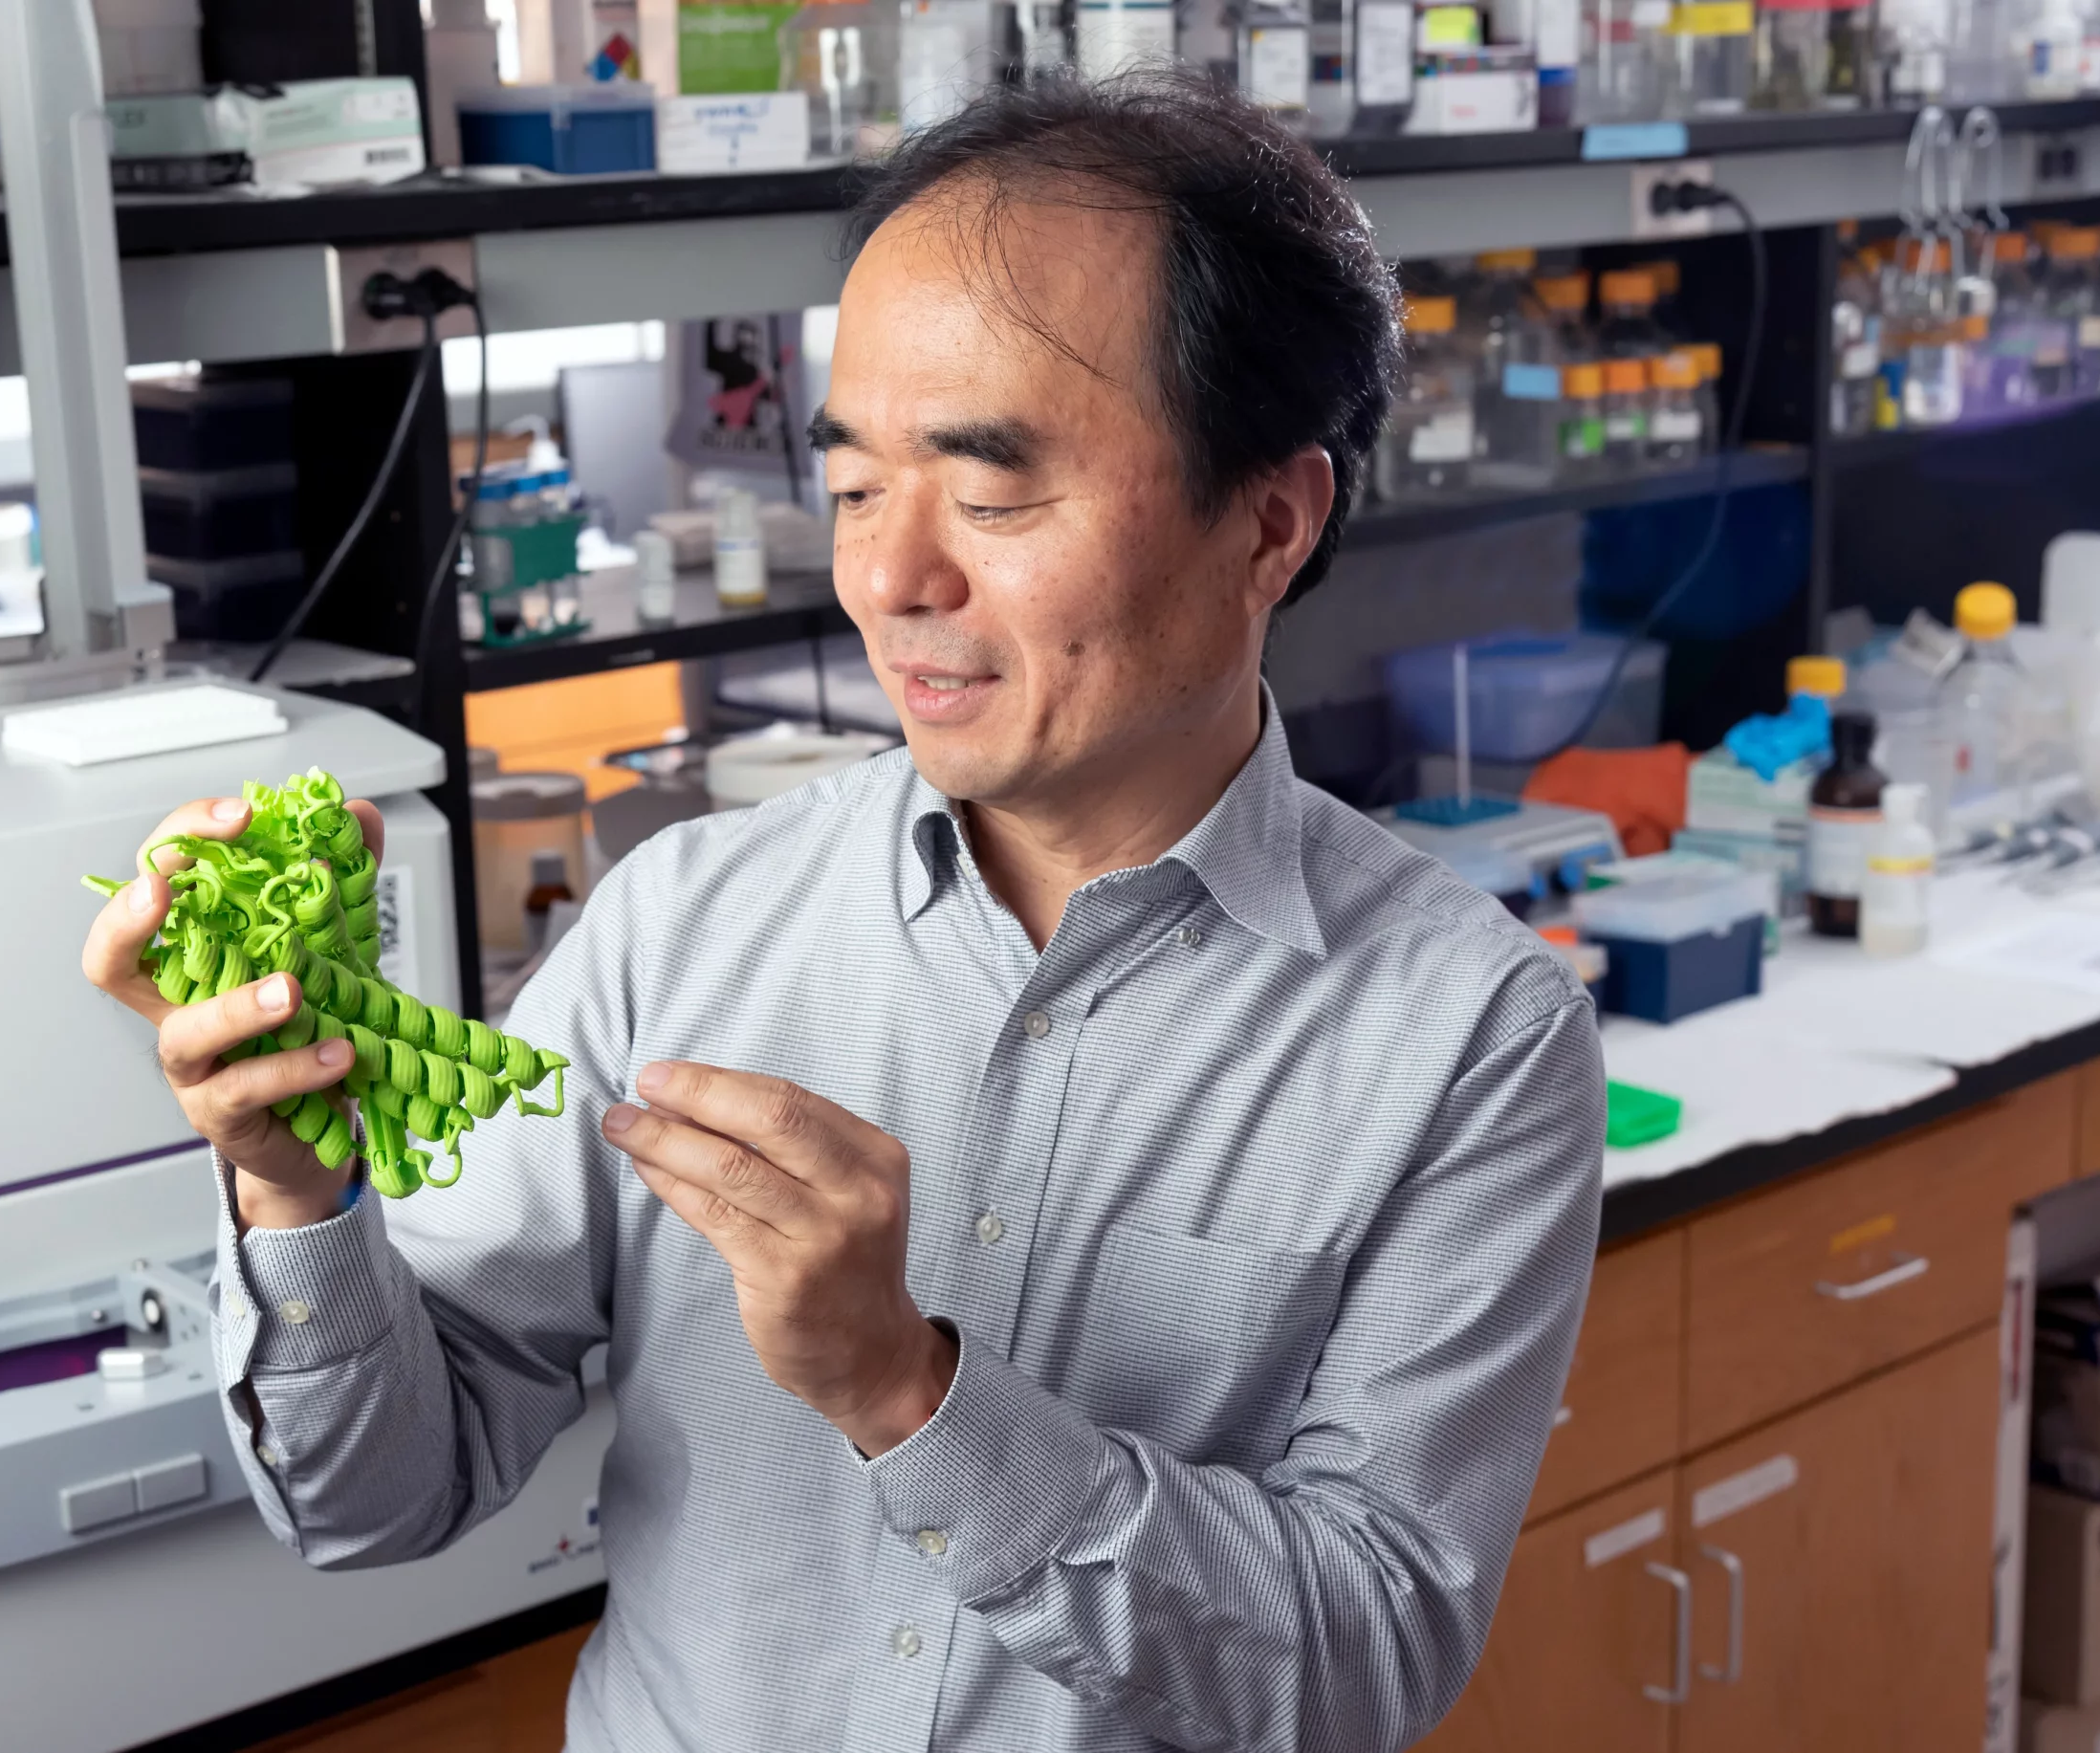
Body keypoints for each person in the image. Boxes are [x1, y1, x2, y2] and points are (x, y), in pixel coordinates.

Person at [82, 72, 1603, 1753]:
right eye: (860, 482)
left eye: (992, 485)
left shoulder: (1470, 1039)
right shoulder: (679, 925)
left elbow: (1359, 1663)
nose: (891, 578)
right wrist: (294, 1189)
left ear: (1270, 522)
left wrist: (909, 1390)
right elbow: (374, 1502)